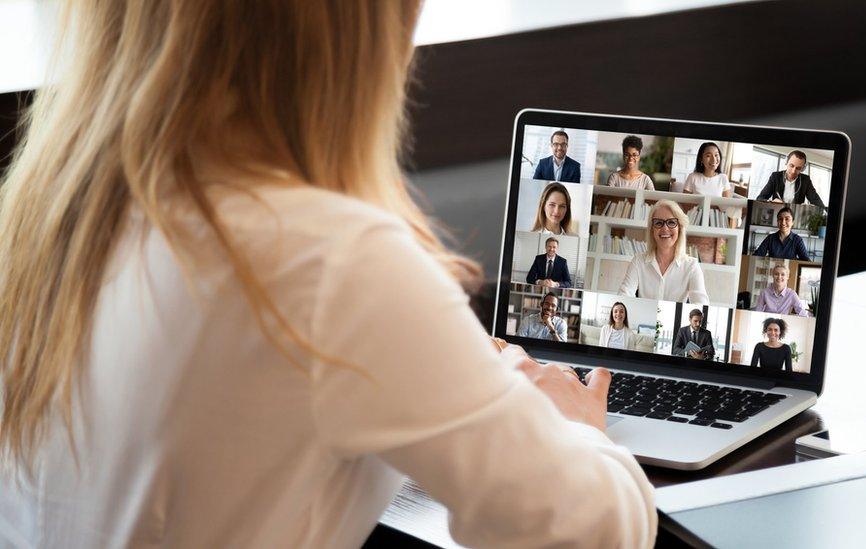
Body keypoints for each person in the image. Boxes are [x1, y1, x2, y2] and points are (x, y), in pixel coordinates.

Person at [0, 2, 657, 547]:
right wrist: (571, 430)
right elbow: (586, 529)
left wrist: (450, 387)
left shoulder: (52, 220)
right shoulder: (329, 261)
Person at [618, 200, 709, 303]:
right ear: (652, 230)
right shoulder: (638, 261)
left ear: (680, 228)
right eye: (658, 223)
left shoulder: (691, 266)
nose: (665, 228)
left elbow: (701, 307)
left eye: (671, 222)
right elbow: (623, 296)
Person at [756, 150, 826, 208]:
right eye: (791, 166)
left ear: (803, 169)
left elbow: (818, 203)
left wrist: (810, 207)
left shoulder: (806, 180)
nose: (793, 171)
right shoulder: (775, 176)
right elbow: (760, 198)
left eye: (798, 168)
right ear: (786, 162)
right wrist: (771, 202)